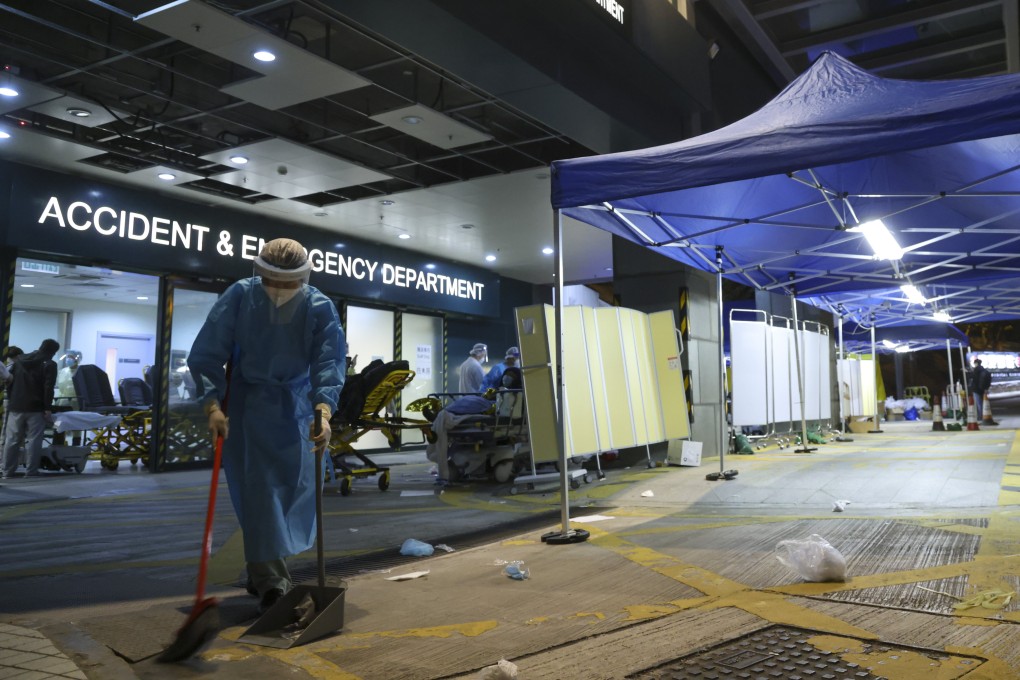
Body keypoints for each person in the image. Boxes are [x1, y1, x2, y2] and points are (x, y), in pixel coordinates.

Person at [187, 238, 345, 615]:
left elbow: (329, 361)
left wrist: (323, 410)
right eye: (271, 280)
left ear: (303, 277)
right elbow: (209, 352)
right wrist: (212, 405)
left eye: (288, 282)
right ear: (259, 273)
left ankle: (262, 573)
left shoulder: (319, 306)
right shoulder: (241, 296)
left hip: (298, 411)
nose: (278, 289)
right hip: (248, 408)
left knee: (297, 492)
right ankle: (273, 582)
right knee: (261, 499)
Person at [2, 339, 59, 479]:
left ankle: (7, 472)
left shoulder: (20, 360)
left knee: (12, 440)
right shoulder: (50, 364)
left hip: (16, 406)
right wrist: (47, 408)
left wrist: (11, 400)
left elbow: (9, 381)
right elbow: (48, 387)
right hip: (36, 407)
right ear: (53, 352)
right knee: (34, 440)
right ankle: (31, 471)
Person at [0, 346, 24, 455]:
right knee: (5, 432)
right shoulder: (13, 367)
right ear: (18, 356)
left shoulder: (5, 365)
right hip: (7, 401)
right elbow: (9, 379)